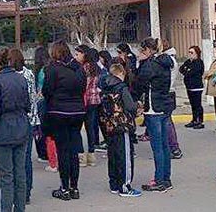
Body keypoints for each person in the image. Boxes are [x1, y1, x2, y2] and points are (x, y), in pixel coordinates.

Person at [42, 41, 86, 201]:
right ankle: (74, 187)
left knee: (63, 150)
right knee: (73, 150)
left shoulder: (53, 69)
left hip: (59, 112)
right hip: (78, 111)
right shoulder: (78, 69)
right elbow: (83, 88)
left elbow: (47, 90)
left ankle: (65, 187)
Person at [0, 47, 30, 212]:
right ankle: (20, 208)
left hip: (4, 132)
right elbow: (27, 105)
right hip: (21, 128)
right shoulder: (21, 79)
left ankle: (6, 209)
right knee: (20, 174)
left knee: (6, 176)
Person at [135, 37, 174, 193]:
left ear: (148, 51)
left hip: (153, 109)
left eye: (141, 51)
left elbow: (139, 83)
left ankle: (159, 180)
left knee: (157, 146)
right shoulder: (165, 62)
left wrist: (140, 63)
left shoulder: (150, 65)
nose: (139, 54)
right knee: (164, 146)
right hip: (164, 106)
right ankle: (166, 178)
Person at [100, 63, 140, 197]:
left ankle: (114, 184)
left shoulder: (104, 87)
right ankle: (125, 186)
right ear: (121, 73)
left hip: (109, 125)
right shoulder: (121, 88)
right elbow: (130, 106)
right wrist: (137, 107)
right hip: (122, 125)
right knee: (125, 156)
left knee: (113, 156)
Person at [8, 47, 39, 203]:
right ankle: (26, 192)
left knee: (15, 159)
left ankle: (16, 191)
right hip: (30, 120)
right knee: (26, 158)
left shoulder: (11, 77)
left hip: (16, 120)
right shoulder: (29, 74)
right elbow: (33, 97)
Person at [74, 44, 100, 167]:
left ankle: (81, 155)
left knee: (77, 127)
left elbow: (83, 85)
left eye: (78, 54)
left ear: (84, 54)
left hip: (83, 100)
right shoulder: (95, 67)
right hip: (94, 100)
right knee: (90, 127)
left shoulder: (84, 68)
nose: (76, 56)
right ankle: (91, 153)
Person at [160, 39, 183, 159]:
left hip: (167, 93)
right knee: (167, 121)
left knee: (167, 121)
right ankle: (172, 147)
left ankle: (174, 148)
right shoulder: (170, 59)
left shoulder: (167, 61)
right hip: (169, 92)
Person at [179, 45, 205, 129]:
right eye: (189, 52)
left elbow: (192, 72)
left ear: (196, 53)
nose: (190, 54)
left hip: (196, 87)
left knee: (198, 105)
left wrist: (187, 70)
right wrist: (187, 70)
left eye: (192, 52)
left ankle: (200, 121)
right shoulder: (188, 62)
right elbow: (181, 69)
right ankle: (194, 120)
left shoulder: (199, 62)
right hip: (189, 87)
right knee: (193, 105)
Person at [33, 45, 50, 163]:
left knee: (38, 127)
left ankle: (41, 152)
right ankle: (46, 152)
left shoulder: (37, 70)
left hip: (38, 101)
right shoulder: (47, 69)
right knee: (45, 128)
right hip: (46, 100)